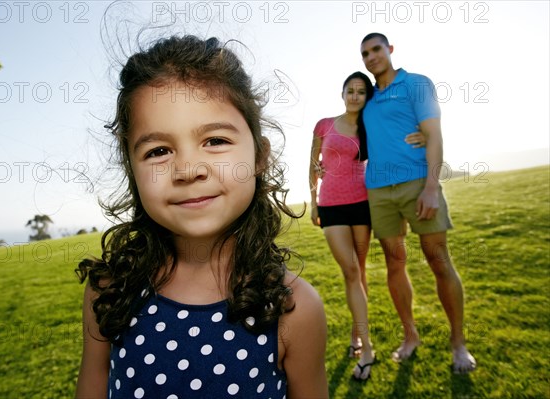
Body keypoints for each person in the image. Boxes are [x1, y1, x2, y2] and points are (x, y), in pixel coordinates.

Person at [75, 35, 328, 398]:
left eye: (215, 141)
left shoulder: (293, 308)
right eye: (159, 150)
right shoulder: (109, 289)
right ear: (131, 170)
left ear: (259, 156)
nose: (188, 169)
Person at [360, 32, 476, 373]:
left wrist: (430, 186)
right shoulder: (367, 99)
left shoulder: (417, 84)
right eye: (364, 53)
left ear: (390, 50)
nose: (371, 57)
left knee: (438, 260)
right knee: (395, 263)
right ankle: (410, 336)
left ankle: (458, 344)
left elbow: (434, 134)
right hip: (379, 191)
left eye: (376, 49)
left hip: (417, 183)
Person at [309, 72, 425, 381]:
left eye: (361, 92)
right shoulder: (323, 124)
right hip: (331, 206)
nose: (355, 96)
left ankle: (355, 334)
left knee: (358, 272)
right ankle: (368, 348)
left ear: (366, 97)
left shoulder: (370, 127)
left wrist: (423, 136)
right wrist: (313, 201)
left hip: (362, 202)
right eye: (350, 90)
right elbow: (313, 164)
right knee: (349, 272)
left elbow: (398, 138)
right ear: (342, 92)